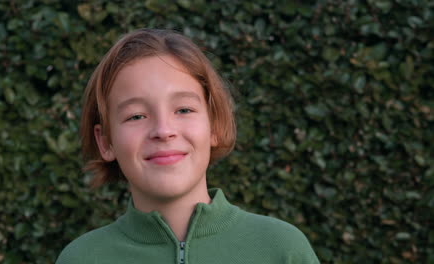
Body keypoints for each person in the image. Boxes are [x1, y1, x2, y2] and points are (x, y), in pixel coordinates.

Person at [56, 28, 319, 264]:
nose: (163, 131)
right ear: (105, 142)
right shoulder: (80, 258)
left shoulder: (281, 250)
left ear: (214, 125)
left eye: (183, 109)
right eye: (136, 116)